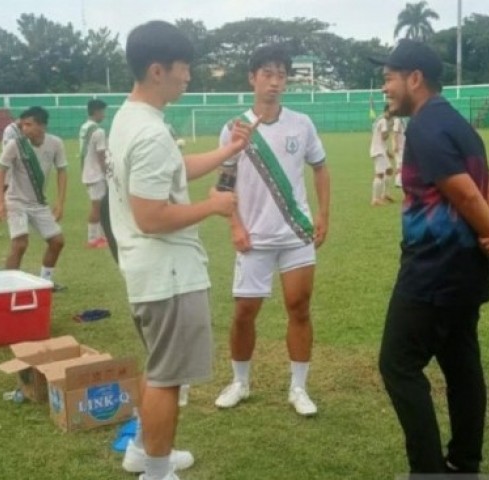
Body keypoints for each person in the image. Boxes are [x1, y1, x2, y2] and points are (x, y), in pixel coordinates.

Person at [373, 39, 489, 474]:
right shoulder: (460, 125)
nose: (385, 87)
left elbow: (467, 193)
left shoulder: (426, 128)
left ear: (414, 79)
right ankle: (466, 463)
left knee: (398, 364)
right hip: (466, 274)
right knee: (462, 365)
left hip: (433, 272)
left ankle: (428, 469)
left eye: (389, 78)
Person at [108, 21, 256, 480]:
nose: (189, 77)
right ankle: (156, 471)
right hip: (167, 273)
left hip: (151, 272)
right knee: (167, 378)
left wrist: (230, 149)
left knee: (160, 368)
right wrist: (213, 206)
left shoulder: (131, 117)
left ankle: (142, 450)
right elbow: (151, 216)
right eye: (184, 68)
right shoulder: (150, 133)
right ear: (158, 70)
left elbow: (174, 170)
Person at [214, 45, 331, 417]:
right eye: (267, 73)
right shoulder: (234, 129)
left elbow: (321, 168)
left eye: (281, 74)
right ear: (252, 78)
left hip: (296, 234)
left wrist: (323, 215)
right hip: (253, 237)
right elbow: (224, 184)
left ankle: (298, 388)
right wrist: (234, 225)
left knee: (299, 308)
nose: (275, 82)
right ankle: (240, 382)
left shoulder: (302, 123)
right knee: (245, 312)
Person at [0, 107, 67, 286]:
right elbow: (0, 171)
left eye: (28, 124)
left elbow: (62, 172)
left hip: (39, 203)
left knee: (57, 242)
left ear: (42, 126)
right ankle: (8, 286)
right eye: (22, 125)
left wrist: (60, 203)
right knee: (20, 244)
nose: (24, 128)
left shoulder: (56, 143)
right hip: (16, 201)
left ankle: (45, 282)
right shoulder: (15, 144)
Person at [79, 98, 109, 248]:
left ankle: (101, 236)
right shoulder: (98, 131)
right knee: (97, 207)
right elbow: (101, 155)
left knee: (101, 206)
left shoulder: (84, 127)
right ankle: (92, 239)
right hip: (96, 174)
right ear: (97, 111)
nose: (104, 115)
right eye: (103, 112)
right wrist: (107, 172)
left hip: (87, 171)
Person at [369, 104, 395, 205]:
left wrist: (387, 152)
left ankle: (385, 194)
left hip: (381, 150)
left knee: (389, 170)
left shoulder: (380, 120)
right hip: (378, 151)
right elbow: (384, 137)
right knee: (379, 174)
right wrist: (390, 127)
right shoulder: (383, 121)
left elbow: (380, 139)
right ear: (386, 111)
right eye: (391, 113)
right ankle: (375, 199)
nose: (392, 115)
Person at [392, 113, 406, 188]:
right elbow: (395, 133)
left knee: (401, 163)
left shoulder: (402, 120)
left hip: (403, 145)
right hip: (399, 146)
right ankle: (398, 181)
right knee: (400, 163)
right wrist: (395, 144)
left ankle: (399, 181)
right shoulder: (397, 120)